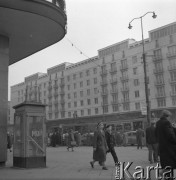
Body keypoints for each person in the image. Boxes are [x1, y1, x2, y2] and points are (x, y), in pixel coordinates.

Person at [155, 110, 176, 180]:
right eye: (170, 116)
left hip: (162, 147)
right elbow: (170, 136)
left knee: (167, 166)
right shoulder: (166, 122)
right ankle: (163, 173)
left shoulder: (158, 123)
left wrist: (173, 128)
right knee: (170, 165)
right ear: (168, 116)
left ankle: (164, 174)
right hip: (169, 148)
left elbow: (156, 134)